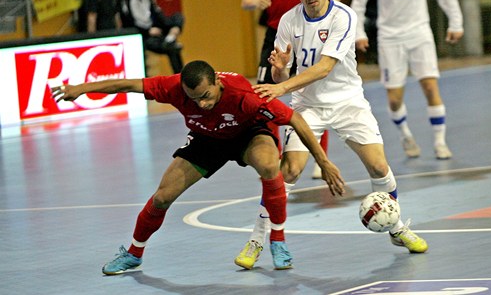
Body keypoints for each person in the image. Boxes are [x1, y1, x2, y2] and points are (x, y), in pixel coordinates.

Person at [51, 60, 345, 274]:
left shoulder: (245, 97)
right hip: (207, 138)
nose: (201, 103)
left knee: (270, 167)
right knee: (163, 196)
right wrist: (81, 88)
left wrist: (324, 162)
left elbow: (294, 119)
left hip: (248, 133)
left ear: (217, 82)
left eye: (206, 96)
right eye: (194, 99)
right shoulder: (174, 89)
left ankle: (278, 241)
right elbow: (128, 84)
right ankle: (134, 253)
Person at [234, 0, 428, 271]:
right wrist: (281, 68)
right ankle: (259, 239)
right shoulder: (288, 21)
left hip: (347, 101)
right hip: (308, 106)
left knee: (379, 166)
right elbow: (280, 70)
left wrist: (280, 85)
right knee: (291, 171)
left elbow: (324, 68)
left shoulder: (343, 16)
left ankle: (396, 227)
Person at [241, 0, 343, 179]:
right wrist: (255, 2)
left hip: (307, 33)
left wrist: (335, 18)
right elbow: (245, 0)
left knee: (314, 93)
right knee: (264, 92)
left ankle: (321, 157)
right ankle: (273, 152)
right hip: (277, 35)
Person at [351, 0, 464, 160]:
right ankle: (405, 134)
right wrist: (358, 32)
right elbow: (359, 2)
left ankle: (440, 142)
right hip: (390, 39)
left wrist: (456, 24)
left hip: (420, 35)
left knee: (430, 88)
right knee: (394, 99)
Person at [117, 0, 185, 74]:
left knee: (178, 17)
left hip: (155, 30)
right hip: (142, 34)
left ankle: (170, 39)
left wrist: (171, 27)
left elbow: (158, 14)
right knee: (173, 48)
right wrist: (147, 31)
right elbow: (127, 22)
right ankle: (169, 42)